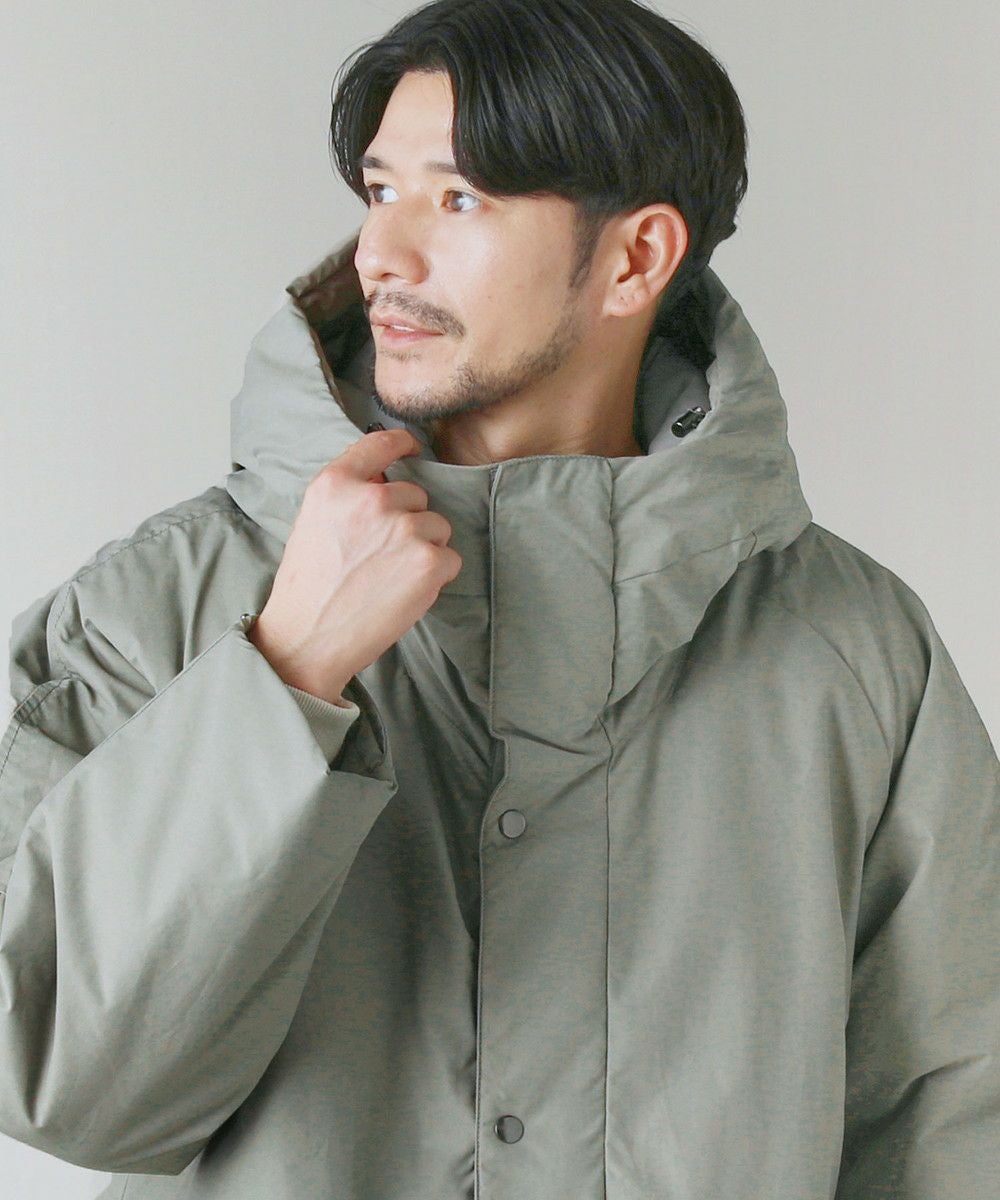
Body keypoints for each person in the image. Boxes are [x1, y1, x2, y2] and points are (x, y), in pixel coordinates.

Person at [1, 0, 997, 1196]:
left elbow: (949, 1123)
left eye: (458, 199)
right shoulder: (160, 605)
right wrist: (283, 675)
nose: (380, 254)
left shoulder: (851, 648)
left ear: (634, 259)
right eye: (380, 190)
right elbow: (57, 1082)